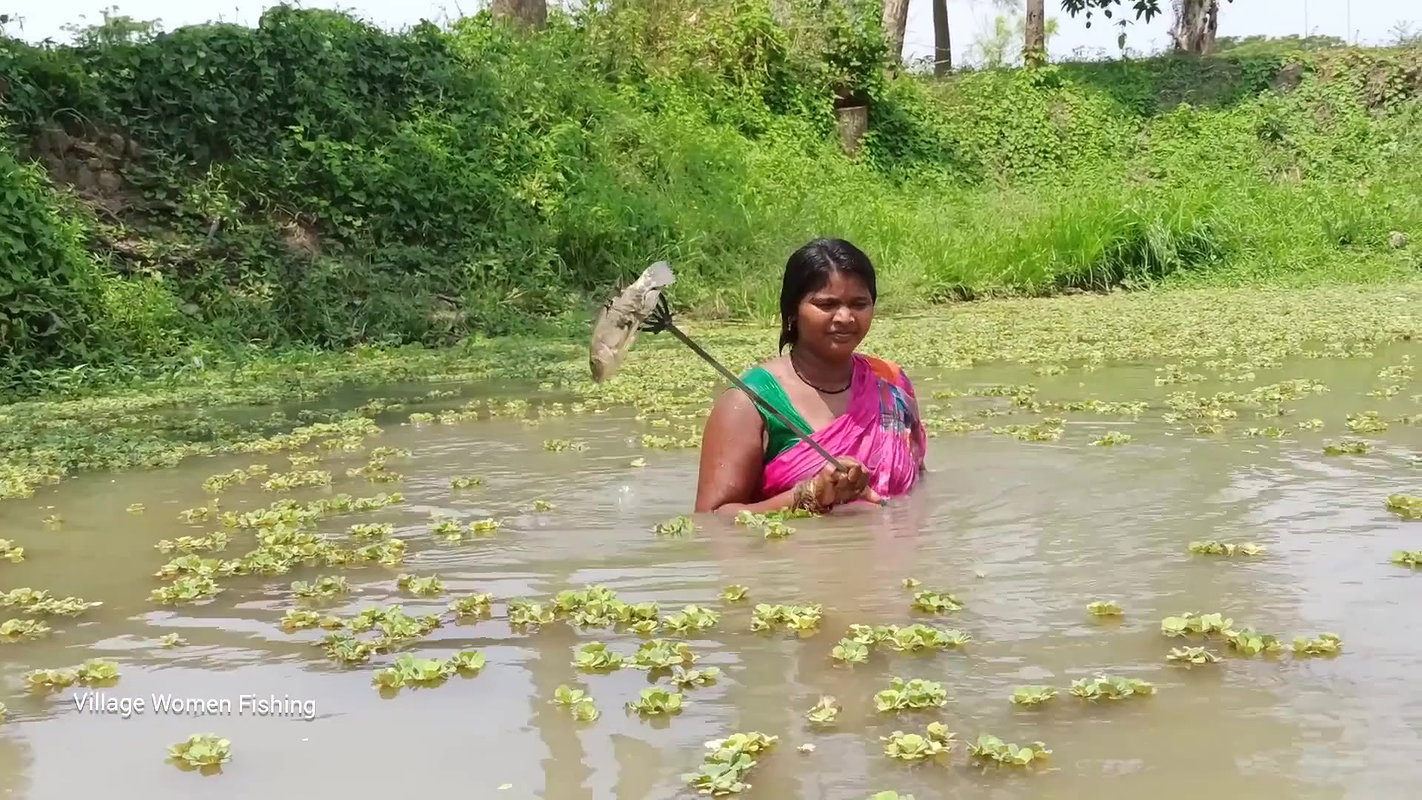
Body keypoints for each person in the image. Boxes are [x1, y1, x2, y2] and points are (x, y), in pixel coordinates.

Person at [694, 238, 928, 515]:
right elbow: (712, 521)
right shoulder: (749, 404)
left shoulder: (890, 383)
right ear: (792, 311)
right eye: (826, 305)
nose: (845, 317)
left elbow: (919, 483)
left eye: (859, 304)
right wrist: (809, 494)